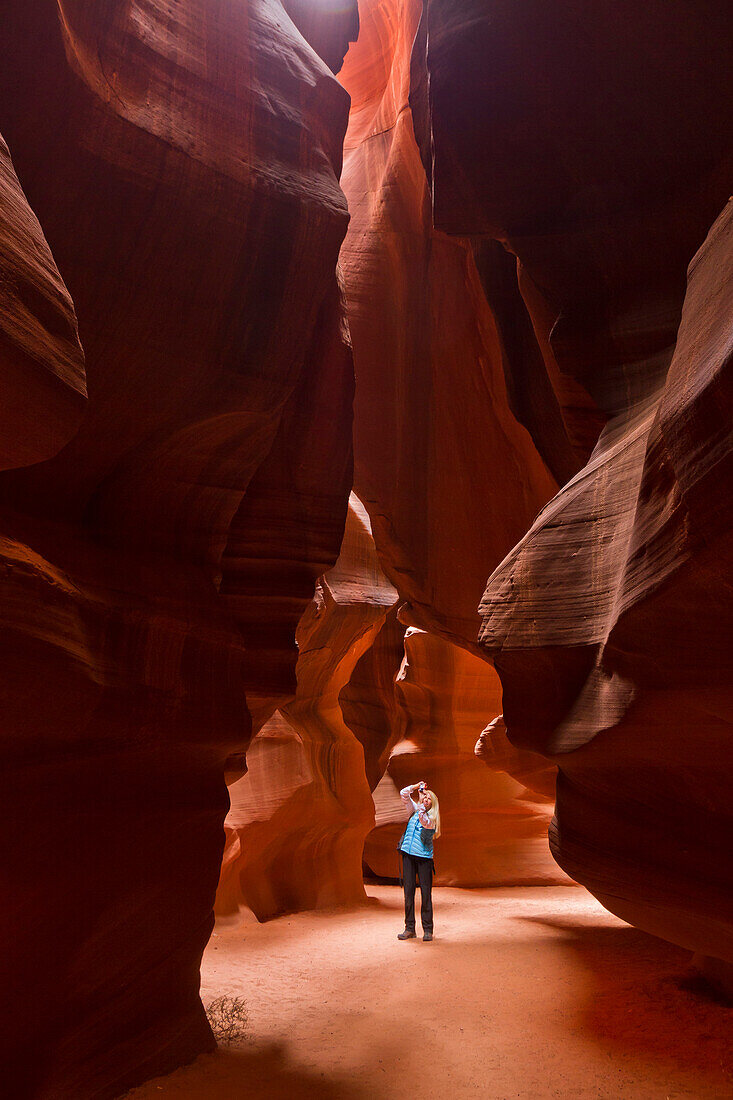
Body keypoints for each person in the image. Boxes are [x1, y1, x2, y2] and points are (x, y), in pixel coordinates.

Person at [396, 780, 441, 941]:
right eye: (425, 797)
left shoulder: (431, 819)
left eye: (429, 799)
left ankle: (427, 929)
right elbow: (403, 794)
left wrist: (421, 800)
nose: (425, 799)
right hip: (408, 855)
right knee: (408, 892)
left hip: (424, 859)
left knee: (425, 894)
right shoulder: (415, 810)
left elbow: (423, 819)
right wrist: (416, 787)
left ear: (433, 803)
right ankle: (409, 929)